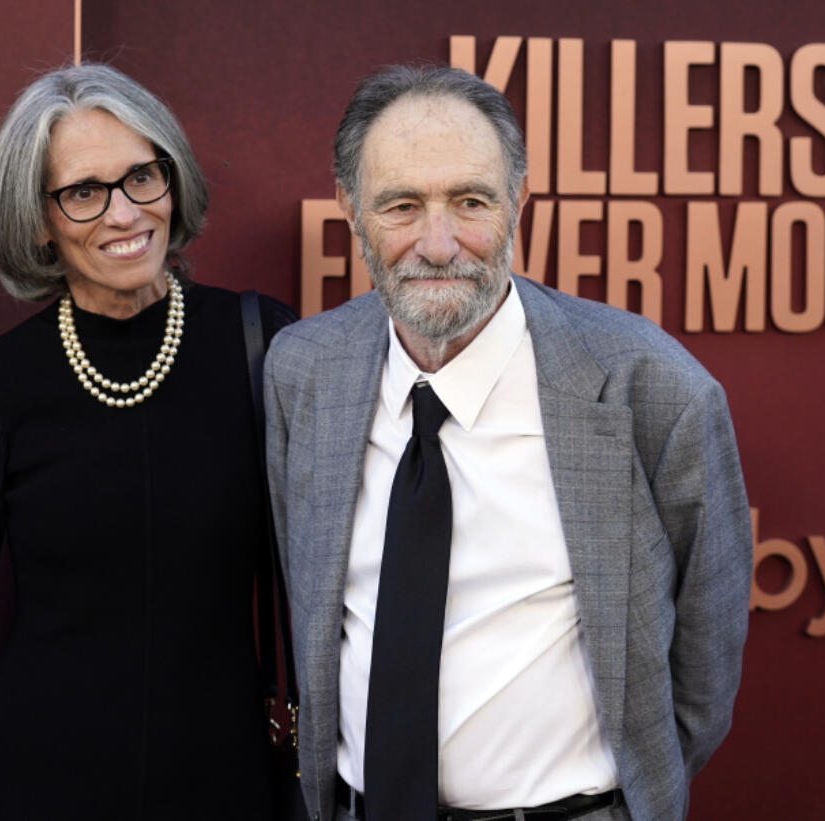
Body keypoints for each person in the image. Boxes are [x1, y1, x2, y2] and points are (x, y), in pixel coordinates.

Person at [264, 65, 752, 821]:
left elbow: (704, 669)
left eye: (471, 201)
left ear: (519, 201)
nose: (438, 242)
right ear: (350, 208)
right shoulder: (302, 373)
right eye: (401, 204)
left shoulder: (651, 386)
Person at [0, 63, 293, 820]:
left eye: (141, 177)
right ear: (38, 221)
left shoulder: (265, 344)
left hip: (226, 782)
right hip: (37, 786)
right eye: (84, 191)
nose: (124, 213)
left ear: (172, 180)